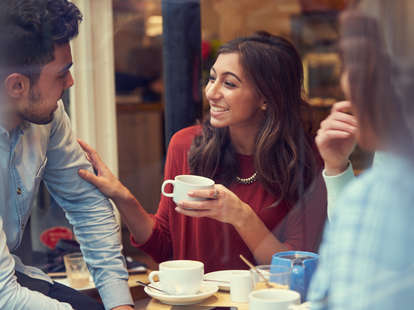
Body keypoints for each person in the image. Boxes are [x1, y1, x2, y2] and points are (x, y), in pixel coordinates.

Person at [78, 31, 327, 273]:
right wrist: (122, 197)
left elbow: (295, 270)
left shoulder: (305, 160)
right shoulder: (186, 145)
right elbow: (165, 247)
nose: (211, 93)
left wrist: (241, 216)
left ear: (267, 98)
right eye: (211, 78)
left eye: (229, 83)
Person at [0, 1, 133, 309]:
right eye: (62, 74)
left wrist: (119, 303)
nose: (70, 82)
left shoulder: (48, 117)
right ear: (17, 85)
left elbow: (86, 205)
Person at [308, 0, 414, 308]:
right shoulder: (391, 165)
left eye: (351, 66)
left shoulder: (386, 189)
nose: (346, 83)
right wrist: (337, 165)